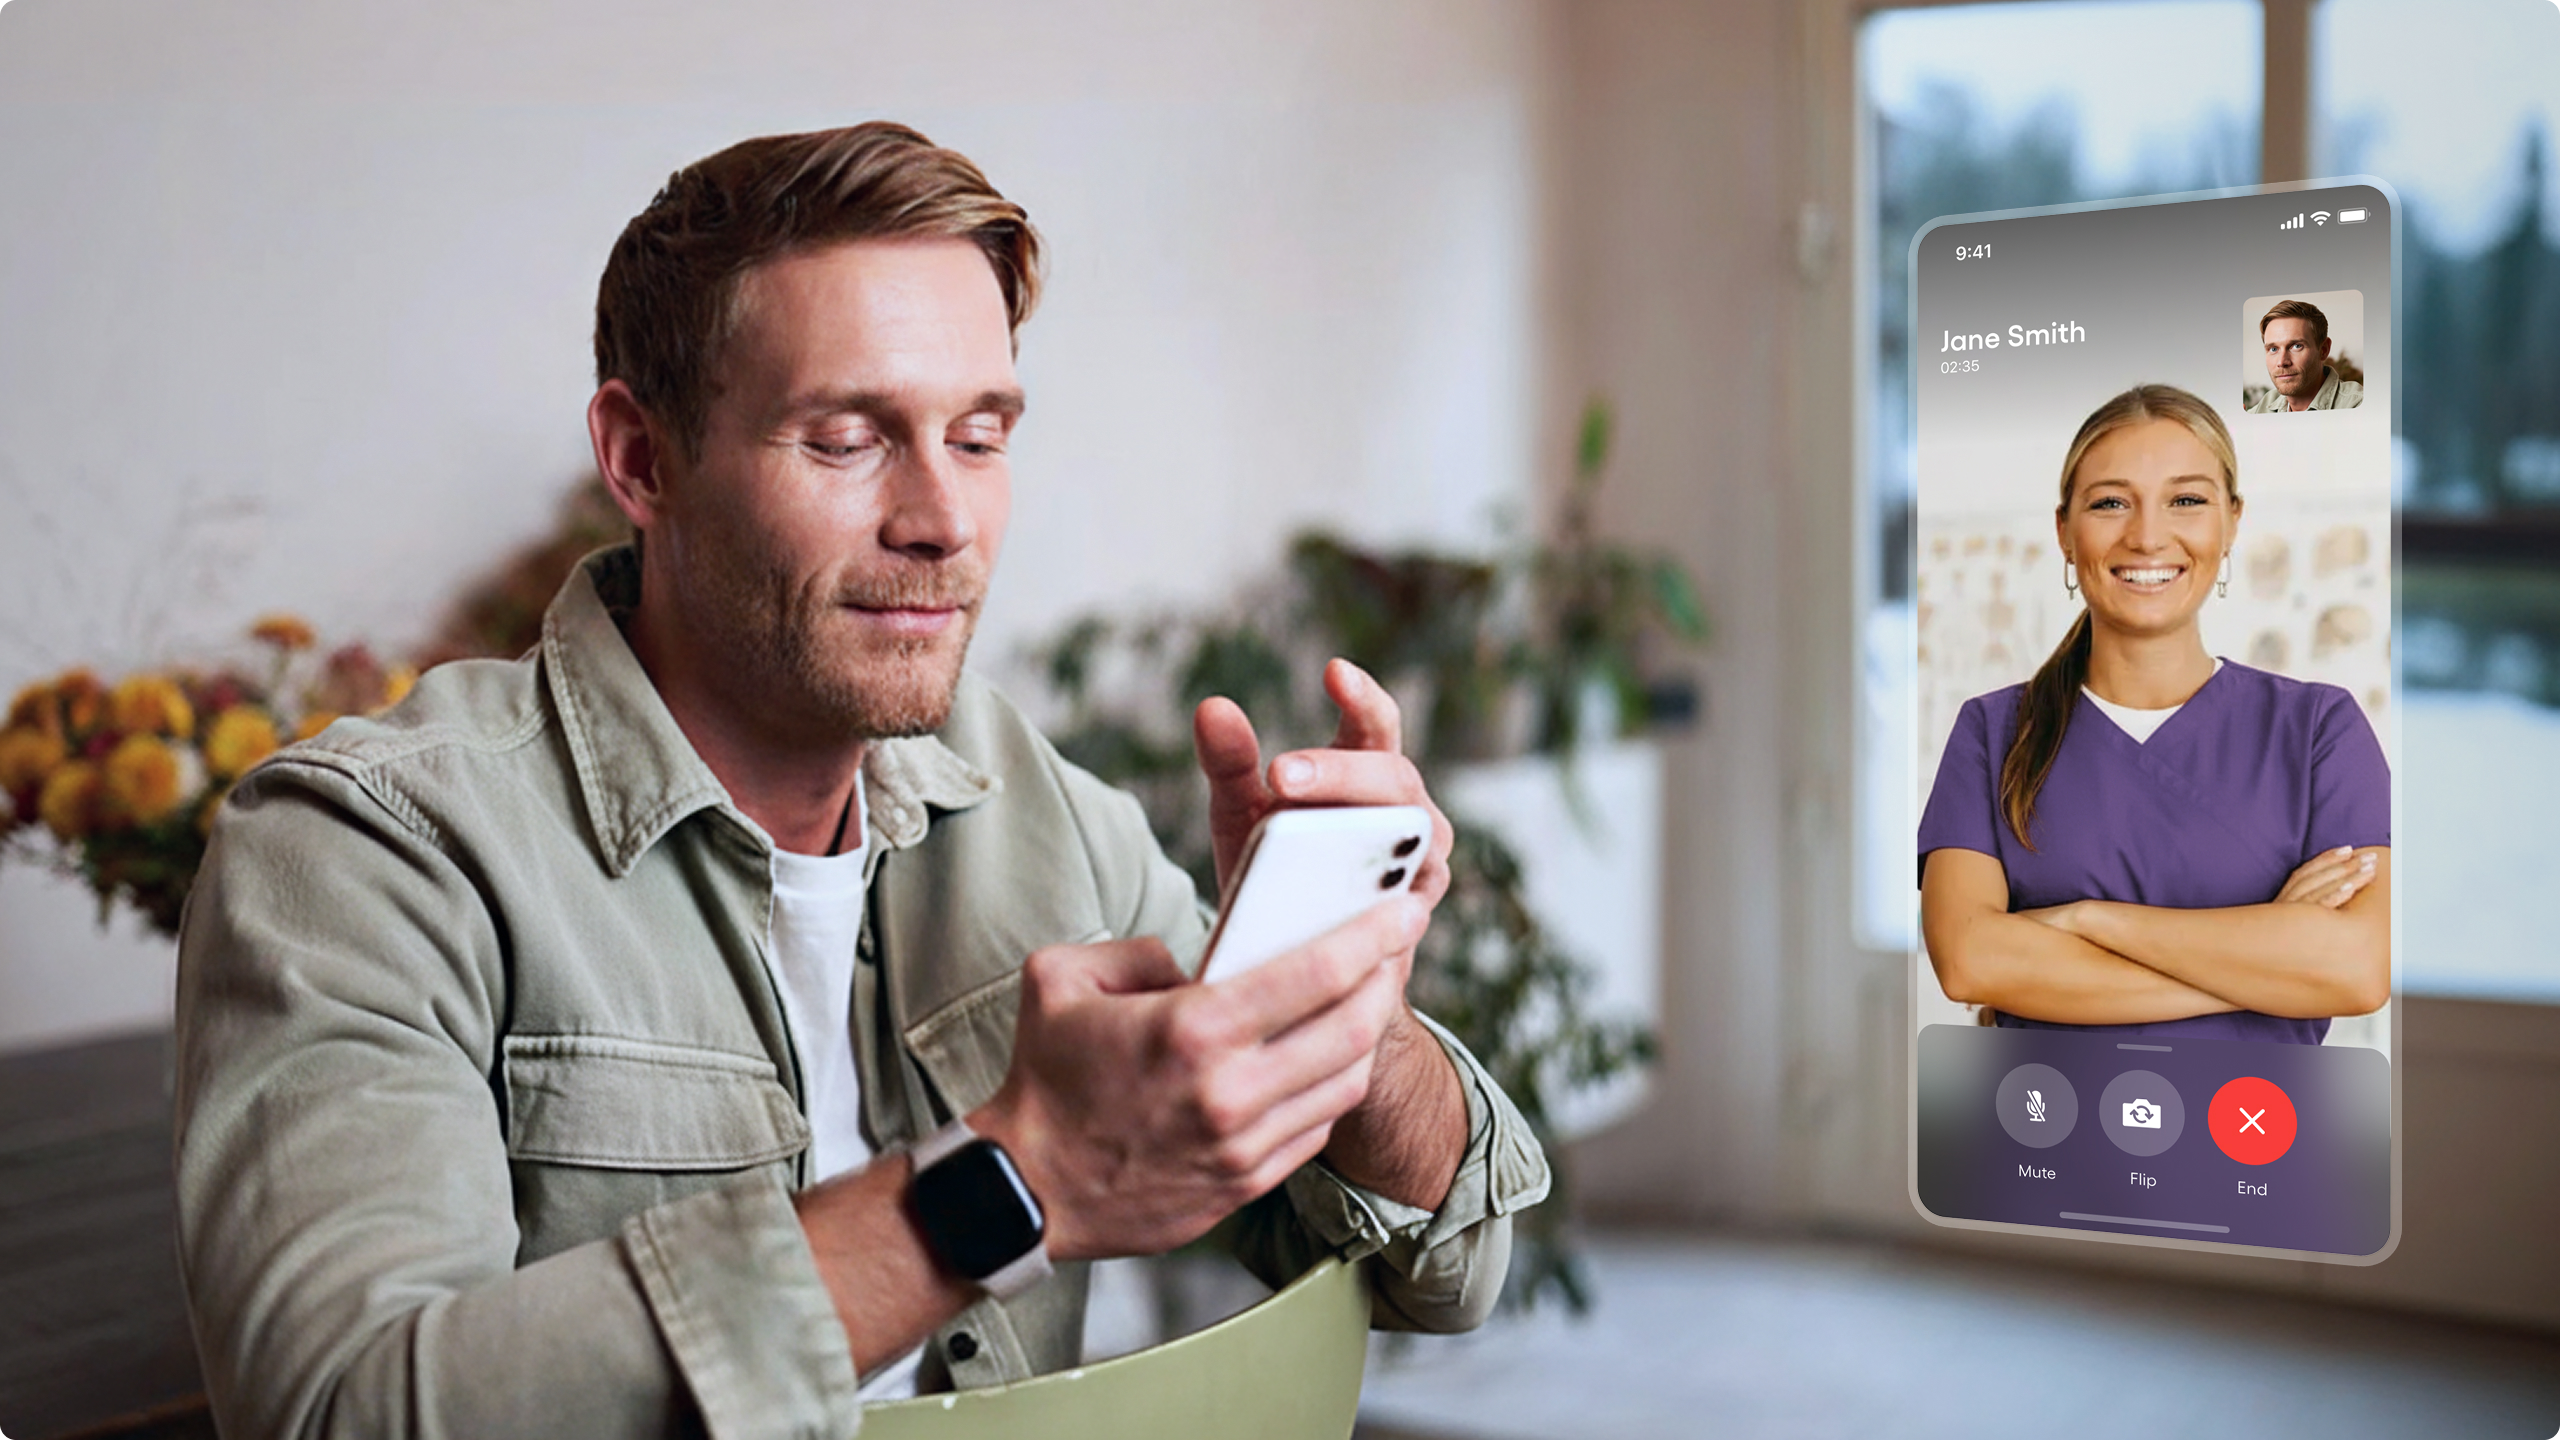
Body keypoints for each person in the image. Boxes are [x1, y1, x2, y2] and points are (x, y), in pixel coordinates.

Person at [172, 122, 1547, 1439]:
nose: (942, 519)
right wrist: (1014, 1183)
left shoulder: (1040, 815)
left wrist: (1344, 1000)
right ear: (641, 458)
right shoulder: (367, 851)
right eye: (845, 438)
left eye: (981, 434)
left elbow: (1448, 1269)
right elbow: (337, 1411)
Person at [1916, 383, 2390, 1045]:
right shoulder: (1993, 734)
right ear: (2064, 531)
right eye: (2111, 503)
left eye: (2187, 501)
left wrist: (2086, 921)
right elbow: (1969, 963)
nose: (2146, 536)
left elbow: (2359, 970)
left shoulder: (2317, 732)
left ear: (2231, 522)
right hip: (2048, 1138)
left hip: (2258, 1138)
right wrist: (2261, 961)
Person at [2245, 298, 2363, 412]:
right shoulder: (2262, 408)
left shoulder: (2358, 406)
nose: (2281, 362)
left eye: (2296, 346)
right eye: (2273, 349)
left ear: (2324, 350)